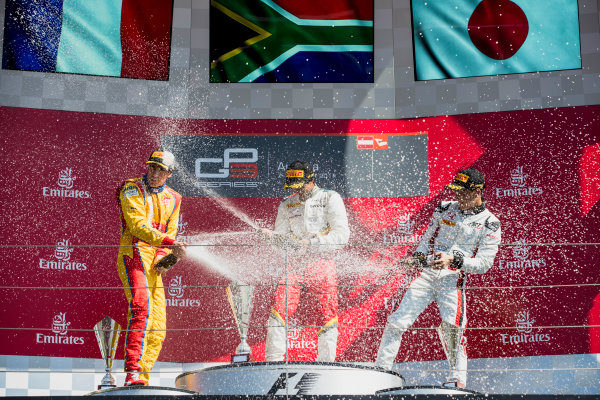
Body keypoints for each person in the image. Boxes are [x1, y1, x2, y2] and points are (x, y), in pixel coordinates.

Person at [375, 168, 501, 388]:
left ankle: (457, 380)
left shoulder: (490, 222)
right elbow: (426, 239)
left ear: (477, 191)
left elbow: (483, 264)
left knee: (453, 328)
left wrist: (453, 260)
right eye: (456, 191)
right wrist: (417, 257)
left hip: (452, 280)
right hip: (426, 274)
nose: (457, 196)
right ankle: (381, 370)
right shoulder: (444, 208)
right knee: (396, 322)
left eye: (462, 192)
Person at [260, 161, 350, 362]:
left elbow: (342, 235)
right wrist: (273, 239)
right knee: (279, 309)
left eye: (301, 186)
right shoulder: (286, 203)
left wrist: (310, 244)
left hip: (323, 264)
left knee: (328, 315)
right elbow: (281, 242)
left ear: (311, 180)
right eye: (294, 187)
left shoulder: (330, 197)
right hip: (294, 266)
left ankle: (326, 364)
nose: (298, 191)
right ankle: (273, 361)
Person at [116, 150, 188, 386]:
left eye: (160, 170)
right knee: (141, 309)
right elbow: (136, 226)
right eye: (152, 167)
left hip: (154, 260)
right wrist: (169, 244)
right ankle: (132, 374)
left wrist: (165, 256)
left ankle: (142, 379)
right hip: (133, 252)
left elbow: (171, 232)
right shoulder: (132, 188)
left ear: (170, 173)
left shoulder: (175, 198)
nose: (154, 173)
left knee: (158, 325)